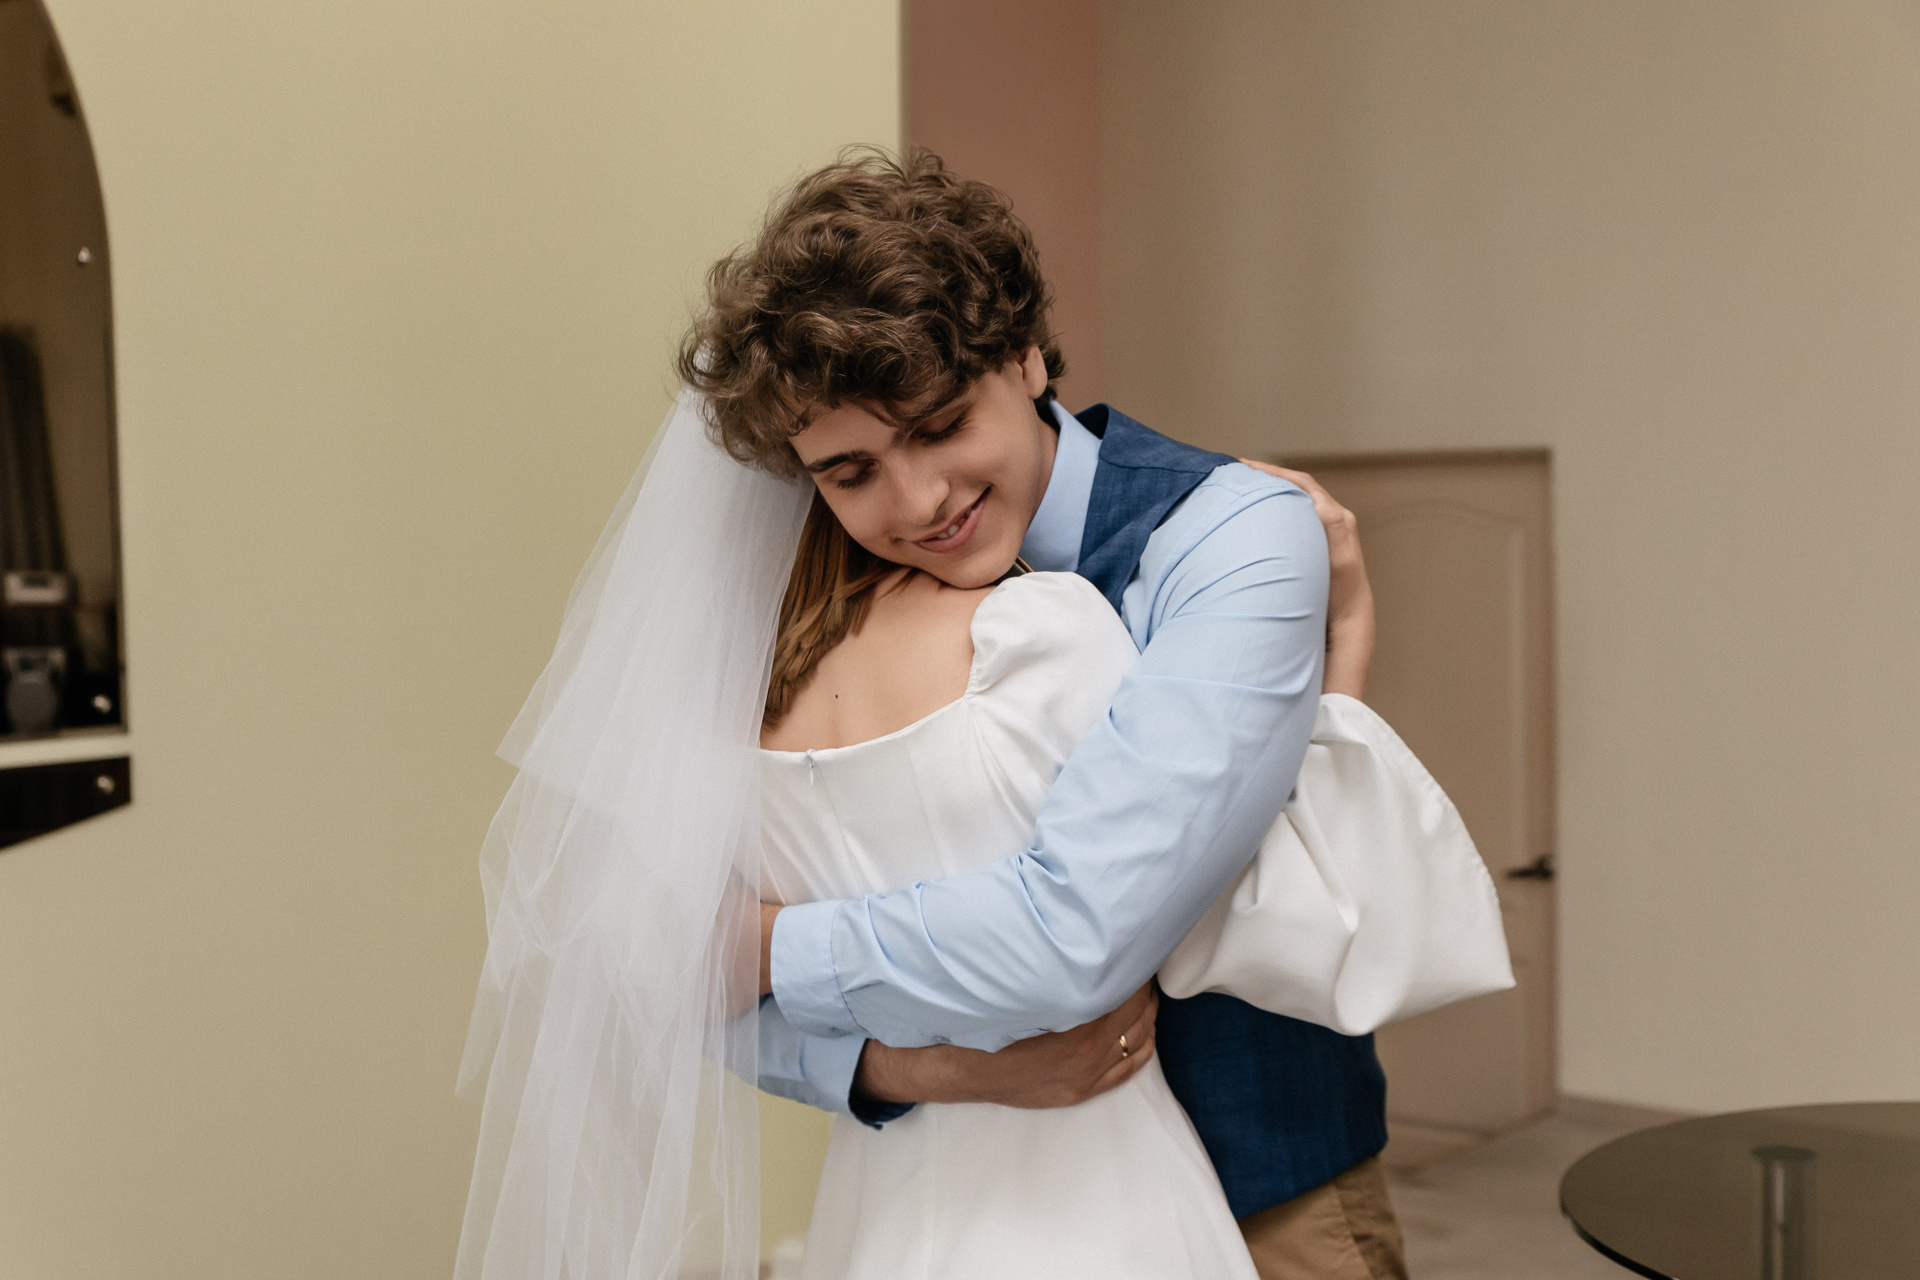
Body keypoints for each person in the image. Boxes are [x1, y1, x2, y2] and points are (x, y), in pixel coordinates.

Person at [454, 150, 1507, 1280]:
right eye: (850, 473)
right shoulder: (812, 611)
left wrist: (761, 945)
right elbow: (662, 978)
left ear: (1027, 353)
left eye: (940, 425)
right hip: (944, 1204)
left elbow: (1076, 932)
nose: (917, 503)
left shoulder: (1228, 538)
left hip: (1272, 1196)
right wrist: (919, 1069)